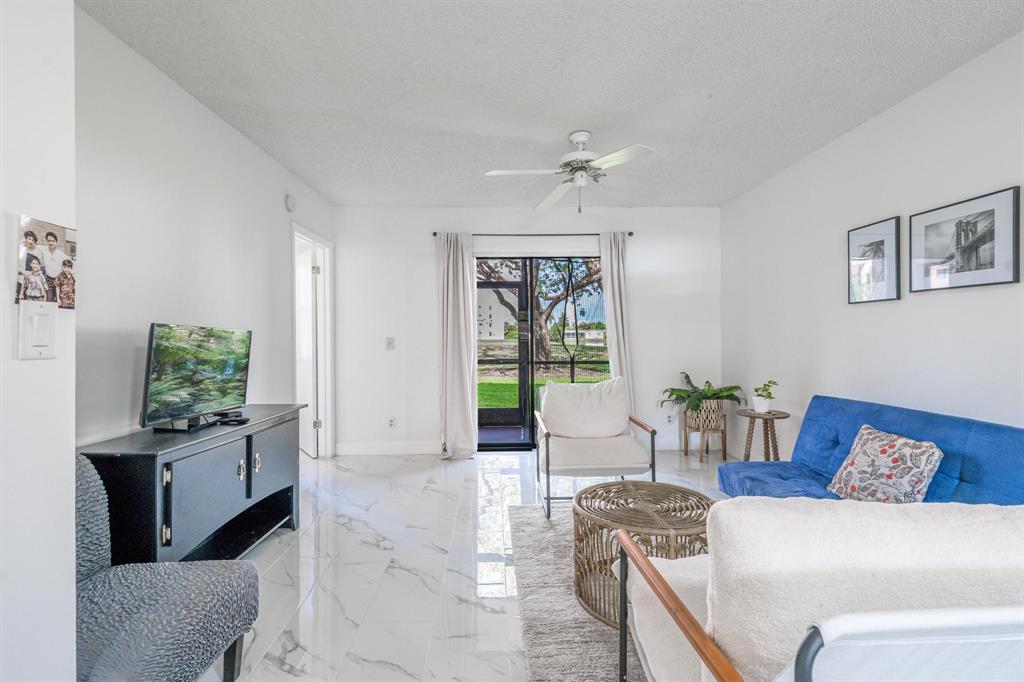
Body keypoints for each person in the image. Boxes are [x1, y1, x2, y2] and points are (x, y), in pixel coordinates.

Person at [41, 231, 69, 301]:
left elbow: (69, 263)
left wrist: (64, 276)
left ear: (56, 242)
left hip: (57, 279)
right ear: (47, 241)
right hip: (48, 279)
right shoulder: (43, 250)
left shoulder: (61, 254)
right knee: (49, 298)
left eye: (53, 241)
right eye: (49, 241)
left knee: (58, 299)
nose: (51, 243)